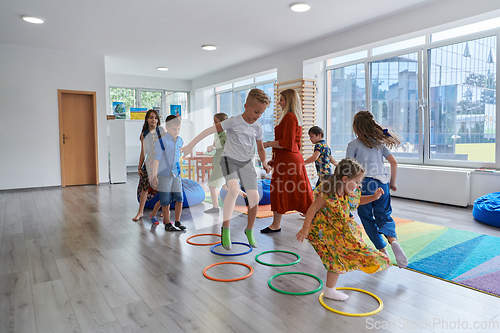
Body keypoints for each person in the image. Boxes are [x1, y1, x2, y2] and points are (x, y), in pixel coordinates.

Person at [181, 88, 272, 249]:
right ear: (246, 106)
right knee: (234, 189)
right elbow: (208, 131)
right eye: (256, 112)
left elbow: (260, 148)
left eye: (261, 113)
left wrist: (264, 162)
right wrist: (190, 145)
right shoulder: (234, 121)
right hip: (229, 159)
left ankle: (249, 230)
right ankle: (226, 229)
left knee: (255, 197)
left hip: (246, 163)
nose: (258, 116)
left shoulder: (257, 127)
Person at [296, 158, 392, 301]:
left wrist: (373, 197)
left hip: (341, 229)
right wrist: (305, 228)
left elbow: (357, 201)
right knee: (335, 258)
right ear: (346, 179)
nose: (359, 185)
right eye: (357, 182)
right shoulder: (328, 192)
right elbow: (313, 208)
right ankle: (330, 289)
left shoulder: (350, 191)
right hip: (326, 231)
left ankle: (331, 287)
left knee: (342, 255)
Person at [346, 110, 408, 268]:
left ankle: (382, 251)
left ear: (356, 127)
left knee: (367, 218)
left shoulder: (353, 145)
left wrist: (348, 188)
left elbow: (348, 168)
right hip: (382, 183)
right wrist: (392, 182)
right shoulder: (379, 143)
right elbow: (393, 162)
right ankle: (393, 241)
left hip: (364, 184)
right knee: (385, 216)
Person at [261, 89, 313, 233]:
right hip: (287, 159)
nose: (279, 102)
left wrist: (268, 144)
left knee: (292, 190)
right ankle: (276, 224)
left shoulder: (290, 117)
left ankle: (314, 221)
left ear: (289, 101)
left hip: (290, 160)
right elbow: (288, 144)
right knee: (285, 190)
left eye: (282, 99)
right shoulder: (291, 117)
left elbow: (287, 143)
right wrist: (274, 160)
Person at [204, 113, 246, 214]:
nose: (214, 124)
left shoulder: (226, 135)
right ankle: (244, 195)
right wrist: (211, 148)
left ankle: (215, 207)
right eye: (214, 122)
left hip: (222, 162)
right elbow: (215, 146)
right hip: (217, 159)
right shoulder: (216, 134)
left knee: (212, 185)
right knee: (224, 185)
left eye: (216, 122)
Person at [151, 115, 185, 231]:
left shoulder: (180, 140)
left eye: (179, 129)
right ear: (167, 127)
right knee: (165, 200)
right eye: (174, 129)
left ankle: (177, 221)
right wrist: (154, 176)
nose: (177, 131)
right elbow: (157, 160)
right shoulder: (162, 142)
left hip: (176, 174)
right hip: (164, 175)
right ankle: (167, 224)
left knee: (179, 198)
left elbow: (178, 155)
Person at [132, 109, 164, 222]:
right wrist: (139, 167)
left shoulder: (161, 132)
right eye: (151, 117)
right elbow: (143, 152)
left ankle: (166, 210)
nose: (153, 120)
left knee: (163, 187)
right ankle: (140, 212)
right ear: (147, 119)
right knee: (144, 187)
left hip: (160, 163)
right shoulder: (144, 134)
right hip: (149, 163)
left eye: (155, 118)